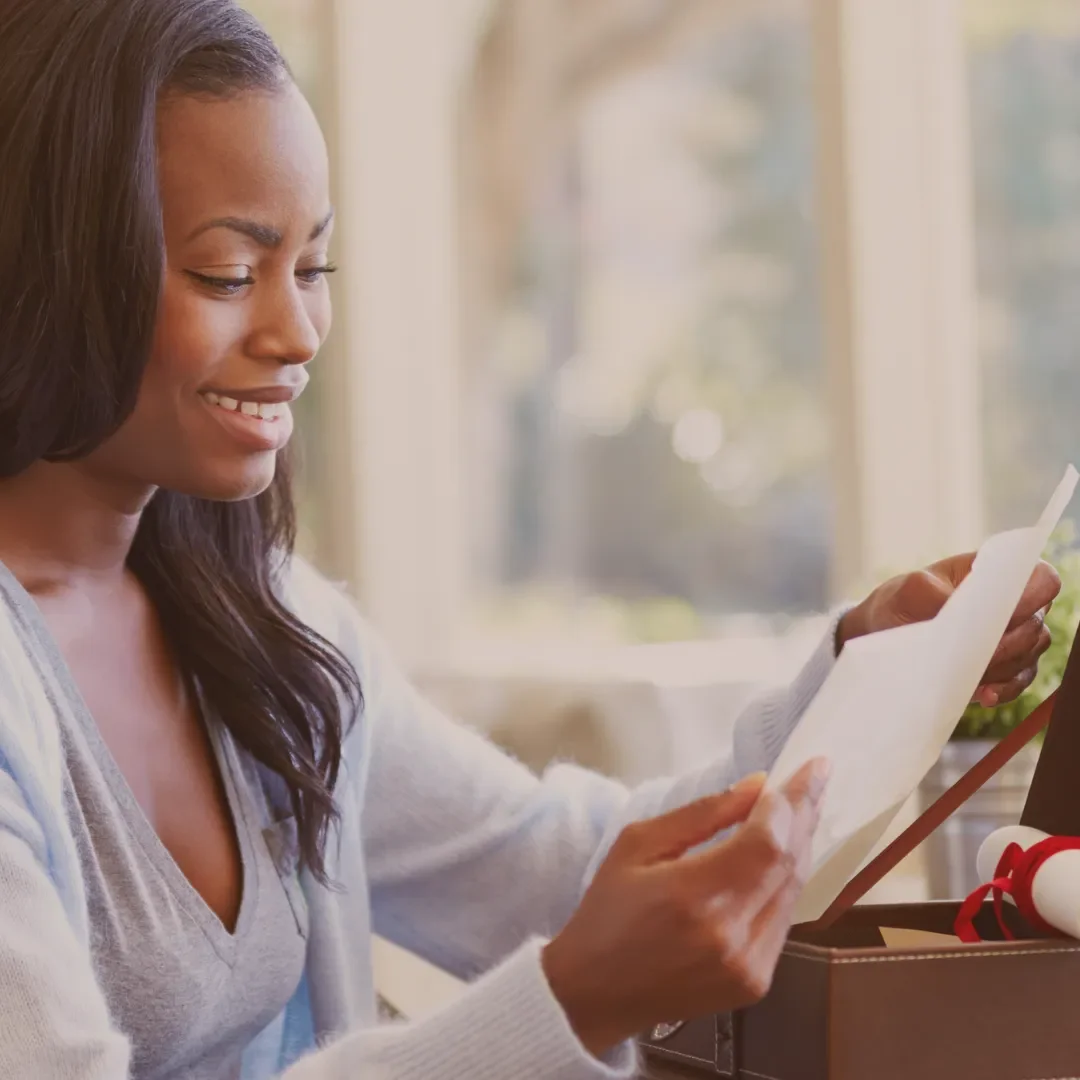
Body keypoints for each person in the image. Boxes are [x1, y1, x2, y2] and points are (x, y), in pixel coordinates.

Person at [0, 2, 1059, 1078]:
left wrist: (863, 685)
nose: (298, 332)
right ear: (46, 263)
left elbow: (556, 871)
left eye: (313, 269)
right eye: (230, 273)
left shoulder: (257, 615)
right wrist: (576, 1000)